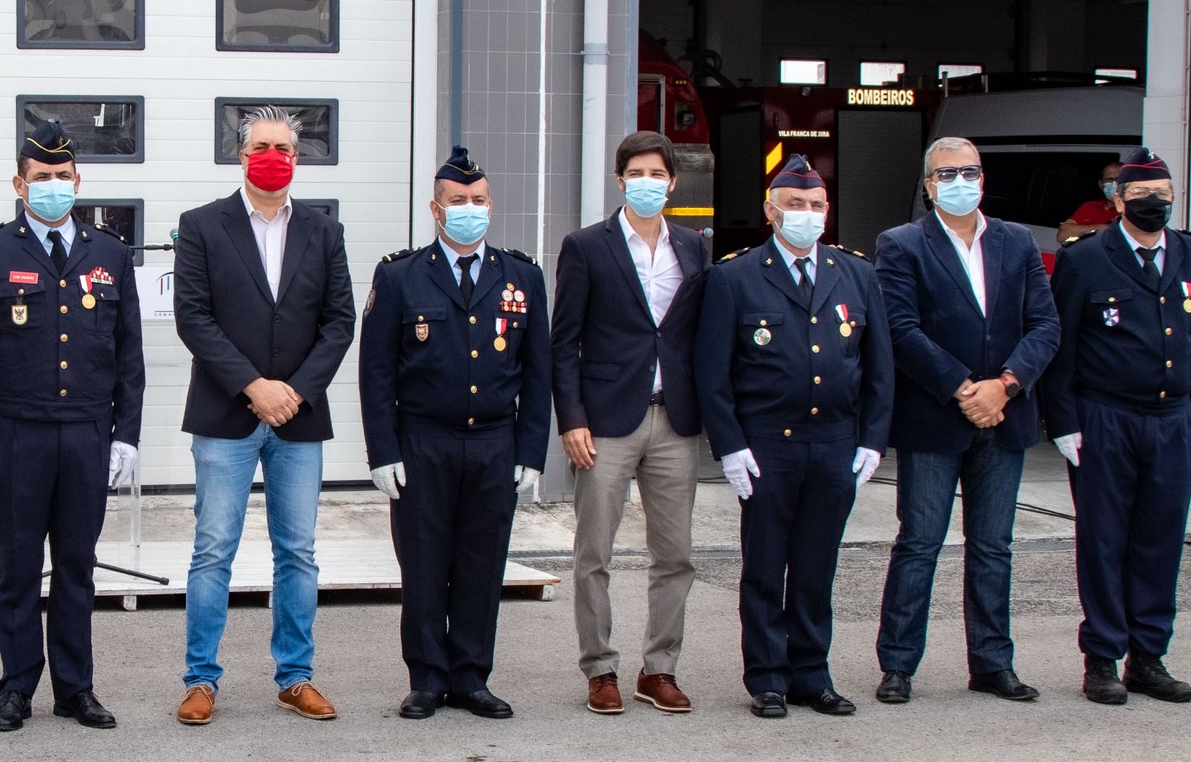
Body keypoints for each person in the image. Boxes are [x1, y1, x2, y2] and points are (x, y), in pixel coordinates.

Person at [0, 120, 145, 732]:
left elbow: (129, 354)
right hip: (16, 433)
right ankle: (16, 688)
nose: (53, 186)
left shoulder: (110, 253)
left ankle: (74, 687)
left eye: (63, 177)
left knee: (78, 566)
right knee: (16, 567)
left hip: (87, 432)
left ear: (78, 181)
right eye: (41, 178)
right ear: (19, 183)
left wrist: (126, 434)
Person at [169, 106, 355, 726]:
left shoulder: (325, 232)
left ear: (297, 158)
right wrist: (255, 386)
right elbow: (193, 317)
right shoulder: (201, 226)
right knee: (212, 550)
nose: (272, 154)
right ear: (241, 155)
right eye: (260, 145)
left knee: (297, 552)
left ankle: (295, 676)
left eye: (283, 146)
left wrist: (293, 392)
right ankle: (200, 680)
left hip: (299, 419)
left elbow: (339, 321)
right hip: (226, 413)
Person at [694, 155, 893, 719]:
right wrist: (730, 447)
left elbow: (880, 367)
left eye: (816, 205)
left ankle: (813, 672)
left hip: (835, 442)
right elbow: (714, 375)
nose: (807, 215)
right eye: (795, 205)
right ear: (770, 211)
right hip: (767, 447)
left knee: (816, 565)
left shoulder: (855, 272)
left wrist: (872, 439)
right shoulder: (734, 276)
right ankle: (767, 676)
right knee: (765, 565)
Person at [359, 146, 550, 720]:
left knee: (482, 563)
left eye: (478, 200)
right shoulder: (400, 275)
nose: (470, 209)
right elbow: (376, 372)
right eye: (458, 201)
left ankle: (471, 676)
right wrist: (383, 451)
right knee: (423, 563)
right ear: (436, 209)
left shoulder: (522, 276)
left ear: (490, 205)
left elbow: (540, 371)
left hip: (495, 442)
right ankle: (426, 677)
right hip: (423, 442)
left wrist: (531, 450)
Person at [870, 137, 1059, 706]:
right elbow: (899, 328)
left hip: (1005, 414)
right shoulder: (901, 244)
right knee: (920, 541)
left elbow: (1045, 325)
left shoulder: (1016, 241)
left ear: (983, 177)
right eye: (946, 173)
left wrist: (1004, 386)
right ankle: (899, 665)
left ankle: (992, 664)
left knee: (993, 546)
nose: (959, 181)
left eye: (969, 171)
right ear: (928, 185)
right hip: (934, 417)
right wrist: (961, 387)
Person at [1042, 148, 1191, 706]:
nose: (1155, 205)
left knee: (1159, 539)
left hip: (1170, 420)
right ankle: (1102, 657)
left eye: (1164, 196)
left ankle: (1148, 656)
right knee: (1103, 539)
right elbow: (1062, 347)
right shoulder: (1086, 259)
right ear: (1119, 200)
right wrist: (1065, 423)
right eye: (1143, 196)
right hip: (1106, 418)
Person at [551, 131, 708, 717]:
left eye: (657, 173)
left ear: (672, 181)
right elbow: (563, 341)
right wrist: (571, 418)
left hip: (675, 419)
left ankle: (659, 667)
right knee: (595, 552)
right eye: (636, 173)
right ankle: (601, 669)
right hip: (608, 421)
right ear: (621, 180)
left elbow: (695, 333)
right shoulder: (587, 246)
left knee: (676, 554)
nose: (648, 182)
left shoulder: (693, 247)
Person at [1054, 158, 1124, 248]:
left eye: (1118, 179)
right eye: (1109, 180)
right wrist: (1105, 228)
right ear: (1101, 184)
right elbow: (1062, 235)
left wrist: (1081, 230)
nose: (1114, 183)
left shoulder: (1132, 209)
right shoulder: (1089, 207)